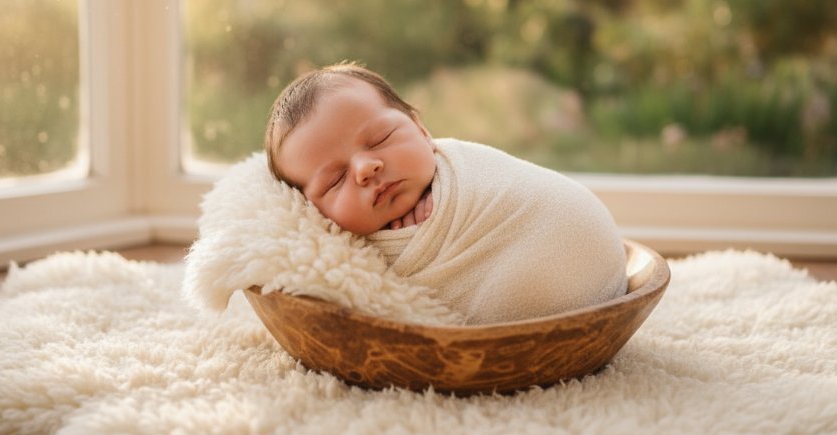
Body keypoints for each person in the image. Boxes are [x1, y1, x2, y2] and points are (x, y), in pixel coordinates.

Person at [265, 63, 627, 324]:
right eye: (335, 180)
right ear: (308, 208)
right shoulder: (334, 250)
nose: (365, 168)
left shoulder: (464, 170)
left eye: (380, 139)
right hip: (551, 305)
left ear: (422, 131)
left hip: (577, 241)